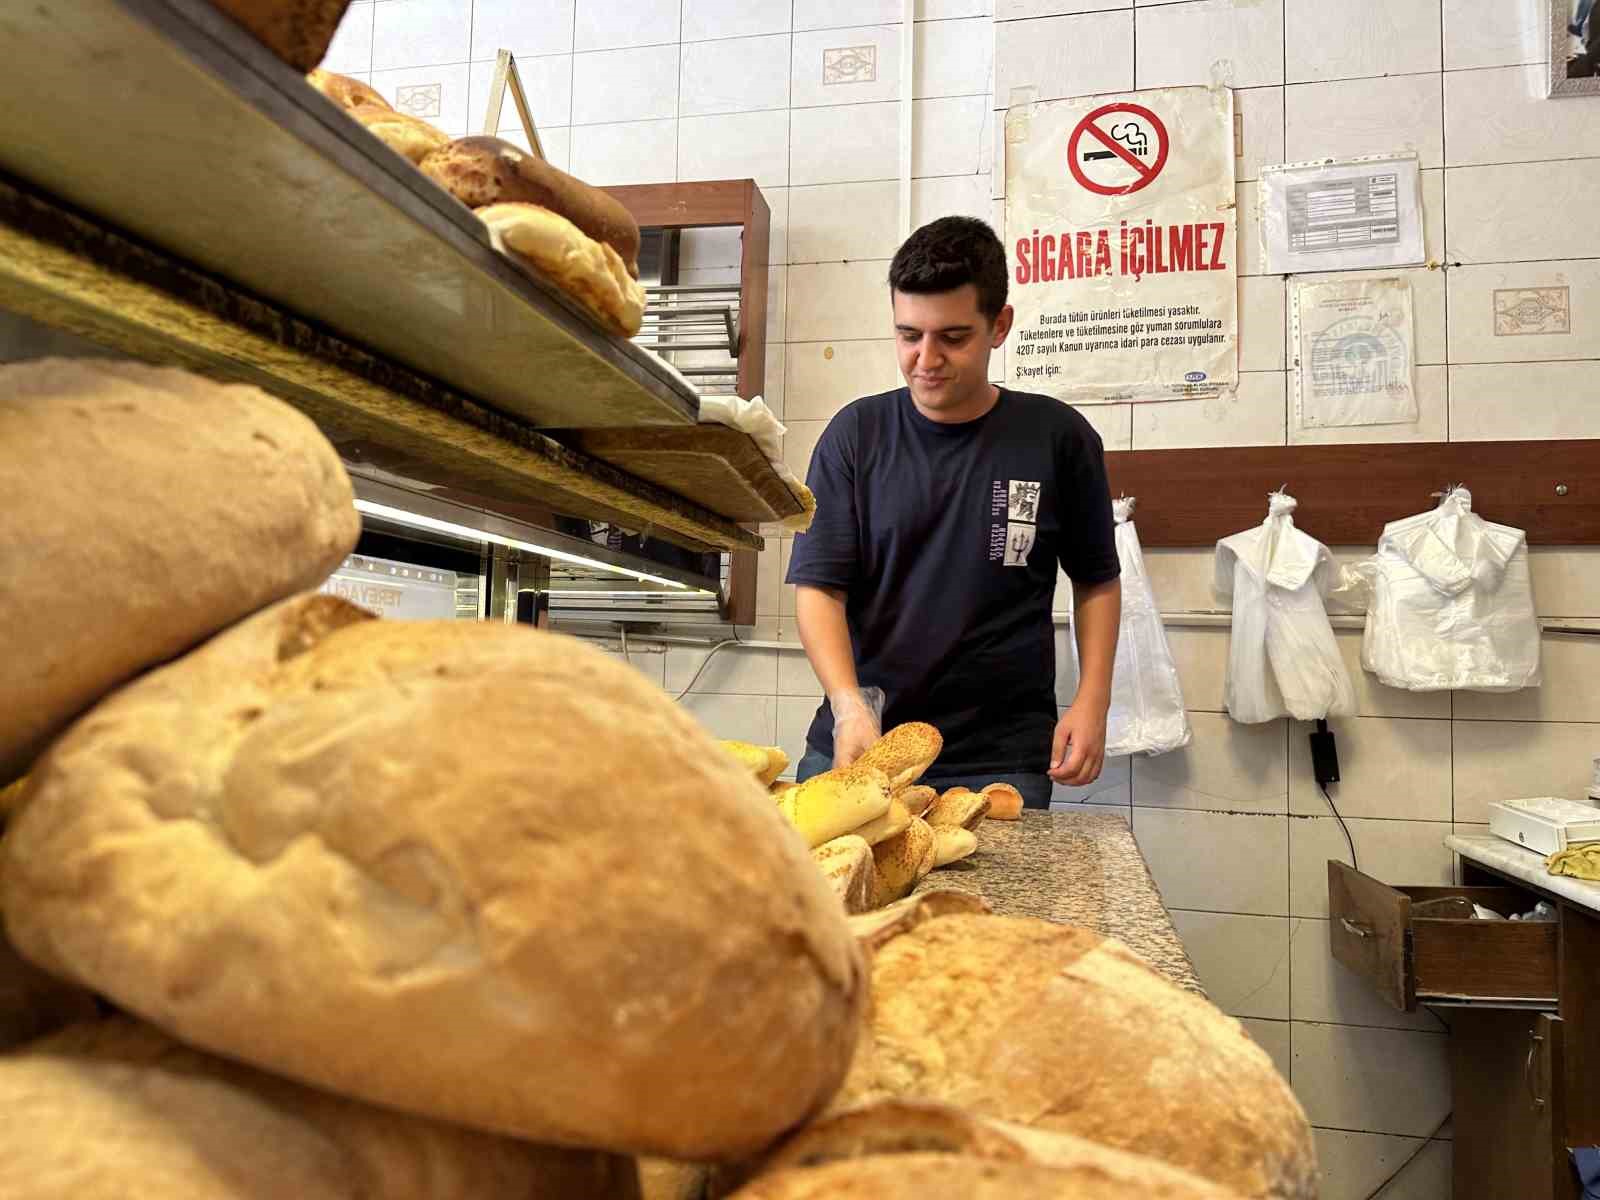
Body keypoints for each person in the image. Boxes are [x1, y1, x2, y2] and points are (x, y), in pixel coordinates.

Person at [785, 217, 1121, 808]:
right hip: (867, 743)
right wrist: (846, 704)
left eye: (953, 337)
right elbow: (819, 587)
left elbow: (1096, 580)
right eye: (908, 335)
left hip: (1002, 757)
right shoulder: (855, 436)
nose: (926, 358)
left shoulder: (1057, 438)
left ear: (1000, 326)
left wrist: (1092, 702)